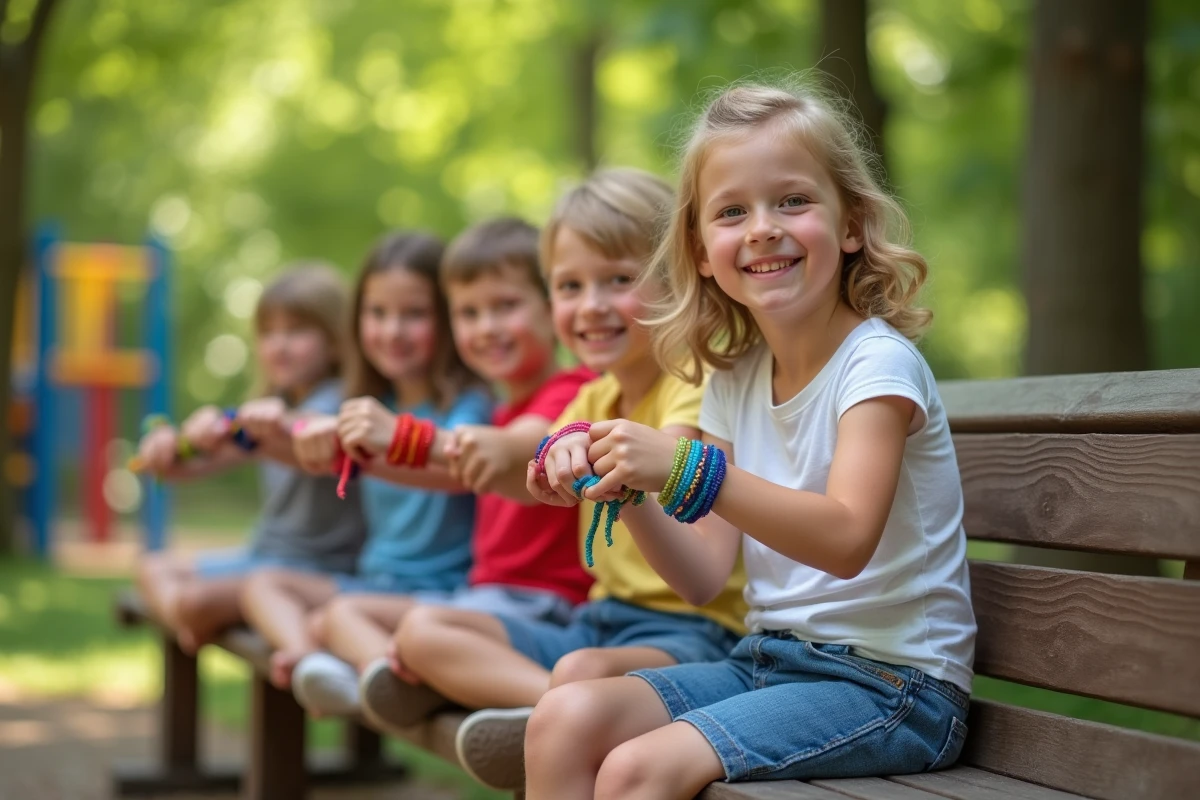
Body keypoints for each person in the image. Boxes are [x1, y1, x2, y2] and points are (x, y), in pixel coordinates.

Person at [521, 80, 977, 799]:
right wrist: (629, 483)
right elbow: (704, 577)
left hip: (896, 686)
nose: (763, 227)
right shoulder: (734, 378)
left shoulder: (876, 366)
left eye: (792, 201)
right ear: (702, 251)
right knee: (563, 717)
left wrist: (683, 466)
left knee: (639, 768)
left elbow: (846, 538)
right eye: (732, 212)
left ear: (851, 223)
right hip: (767, 661)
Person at [394, 169, 747, 790]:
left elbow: (680, 499)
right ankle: (540, 714)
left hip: (696, 634)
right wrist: (532, 467)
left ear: (674, 279)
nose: (591, 305)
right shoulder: (593, 394)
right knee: (423, 630)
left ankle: (547, 719)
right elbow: (528, 477)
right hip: (600, 619)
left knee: (581, 672)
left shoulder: (694, 386)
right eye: (569, 286)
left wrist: (603, 466)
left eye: (619, 280)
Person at [283, 217, 595, 721]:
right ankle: (399, 680)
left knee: (416, 630)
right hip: (490, 599)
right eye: (469, 313)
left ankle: (564, 709)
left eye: (506, 306)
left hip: (545, 605)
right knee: (338, 617)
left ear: (551, 306)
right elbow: (451, 472)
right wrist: (347, 451)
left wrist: (399, 436)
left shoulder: (573, 391)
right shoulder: (499, 407)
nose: (487, 327)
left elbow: (509, 450)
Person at [239, 231, 492, 690]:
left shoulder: (467, 403)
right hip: (373, 584)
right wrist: (252, 427)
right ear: (357, 321)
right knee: (263, 586)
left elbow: (462, 461)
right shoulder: (370, 401)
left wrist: (377, 440)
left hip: (442, 595)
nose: (392, 331)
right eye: (378, 314)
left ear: (448, 320)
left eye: (413, 314)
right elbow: (308, 447)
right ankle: (313, 664)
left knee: (336, 617)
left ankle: (387, 683)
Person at [134, 263, 365, 654]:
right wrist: (166, 445)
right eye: (269, 333)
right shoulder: (274, 407)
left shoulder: (340, 401)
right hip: (262, 556)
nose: (279, 345)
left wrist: (228, 423)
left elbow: (301, 431)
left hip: (312, 571)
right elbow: (194, 465)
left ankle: (193, 620)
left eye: (296, 331)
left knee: (193, 602)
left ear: (336, 341)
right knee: (152, 567)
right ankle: (191, 623)